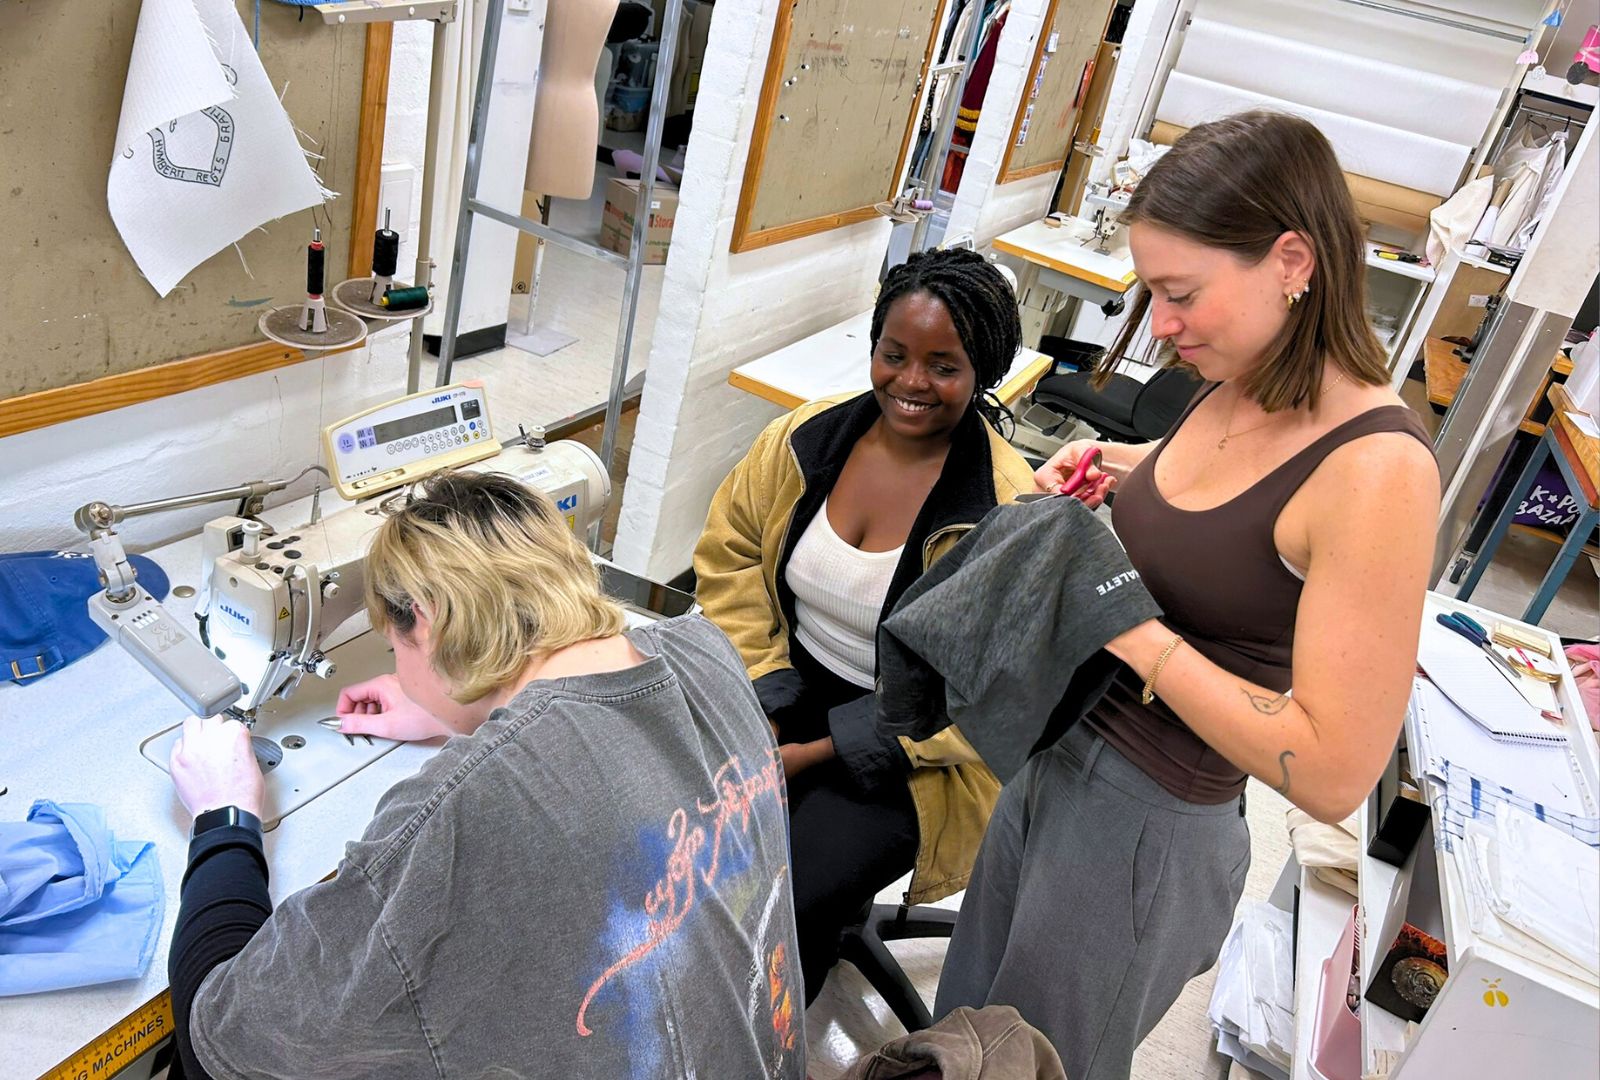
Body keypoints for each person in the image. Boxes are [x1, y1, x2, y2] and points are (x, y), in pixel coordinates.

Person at [934, 110, 1441, 1079]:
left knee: (1034, 1064)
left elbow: (1333, 767)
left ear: (1291, 260)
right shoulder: (1240, 375)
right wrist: (1112, 467)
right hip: (1056, 752)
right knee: (959, 1038)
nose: (1158, 326)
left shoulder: (1375, 472)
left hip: (1142, 828)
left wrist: (1125, 625)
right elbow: (1213, 498)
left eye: (1179, 294)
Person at [164, 471, 803, 1079]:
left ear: (428, 619)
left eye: (394, 644)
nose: (396, 659)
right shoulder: (705, 651)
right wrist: (461, 702)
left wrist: (224, 814)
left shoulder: (469, 804)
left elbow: (224, 1044)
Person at [694, 246, 1037, 1004]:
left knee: (785, 899)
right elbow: (729, 561)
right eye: (894, 354)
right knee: (682, 849)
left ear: (984, 370)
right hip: (779, 686)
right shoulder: (802, 441)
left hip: (915, 754)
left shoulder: (1006, 512)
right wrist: (768, 696)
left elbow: (985, 697)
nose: (911, 383)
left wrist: (813, 751)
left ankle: (762, 1039)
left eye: (943, 365)